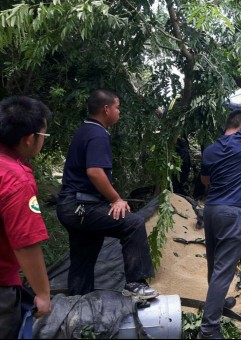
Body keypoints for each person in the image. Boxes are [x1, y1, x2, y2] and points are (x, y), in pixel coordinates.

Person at [56, 89, 157, 298]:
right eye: (117, 107)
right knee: (133, 223)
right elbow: (94, 171)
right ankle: (135, 283)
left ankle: (78, 304)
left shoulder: (85, 130)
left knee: (83, 258)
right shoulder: (97, 133)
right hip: (81, 207)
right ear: (106, 109)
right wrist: (116, 199)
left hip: (72, 206)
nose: (119, 112)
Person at [199, 85, 241, 339]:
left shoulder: (210, 150)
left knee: (215, 264)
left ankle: (216, 303)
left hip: (212, 210)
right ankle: (209, 329)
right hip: (232, 212)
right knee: (224, 269)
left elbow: (205, 181)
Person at [0, 96, 52, 337]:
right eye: (44, 136)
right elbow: (25, 243)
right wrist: (42, 294)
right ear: (30, 139)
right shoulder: (15, 179)